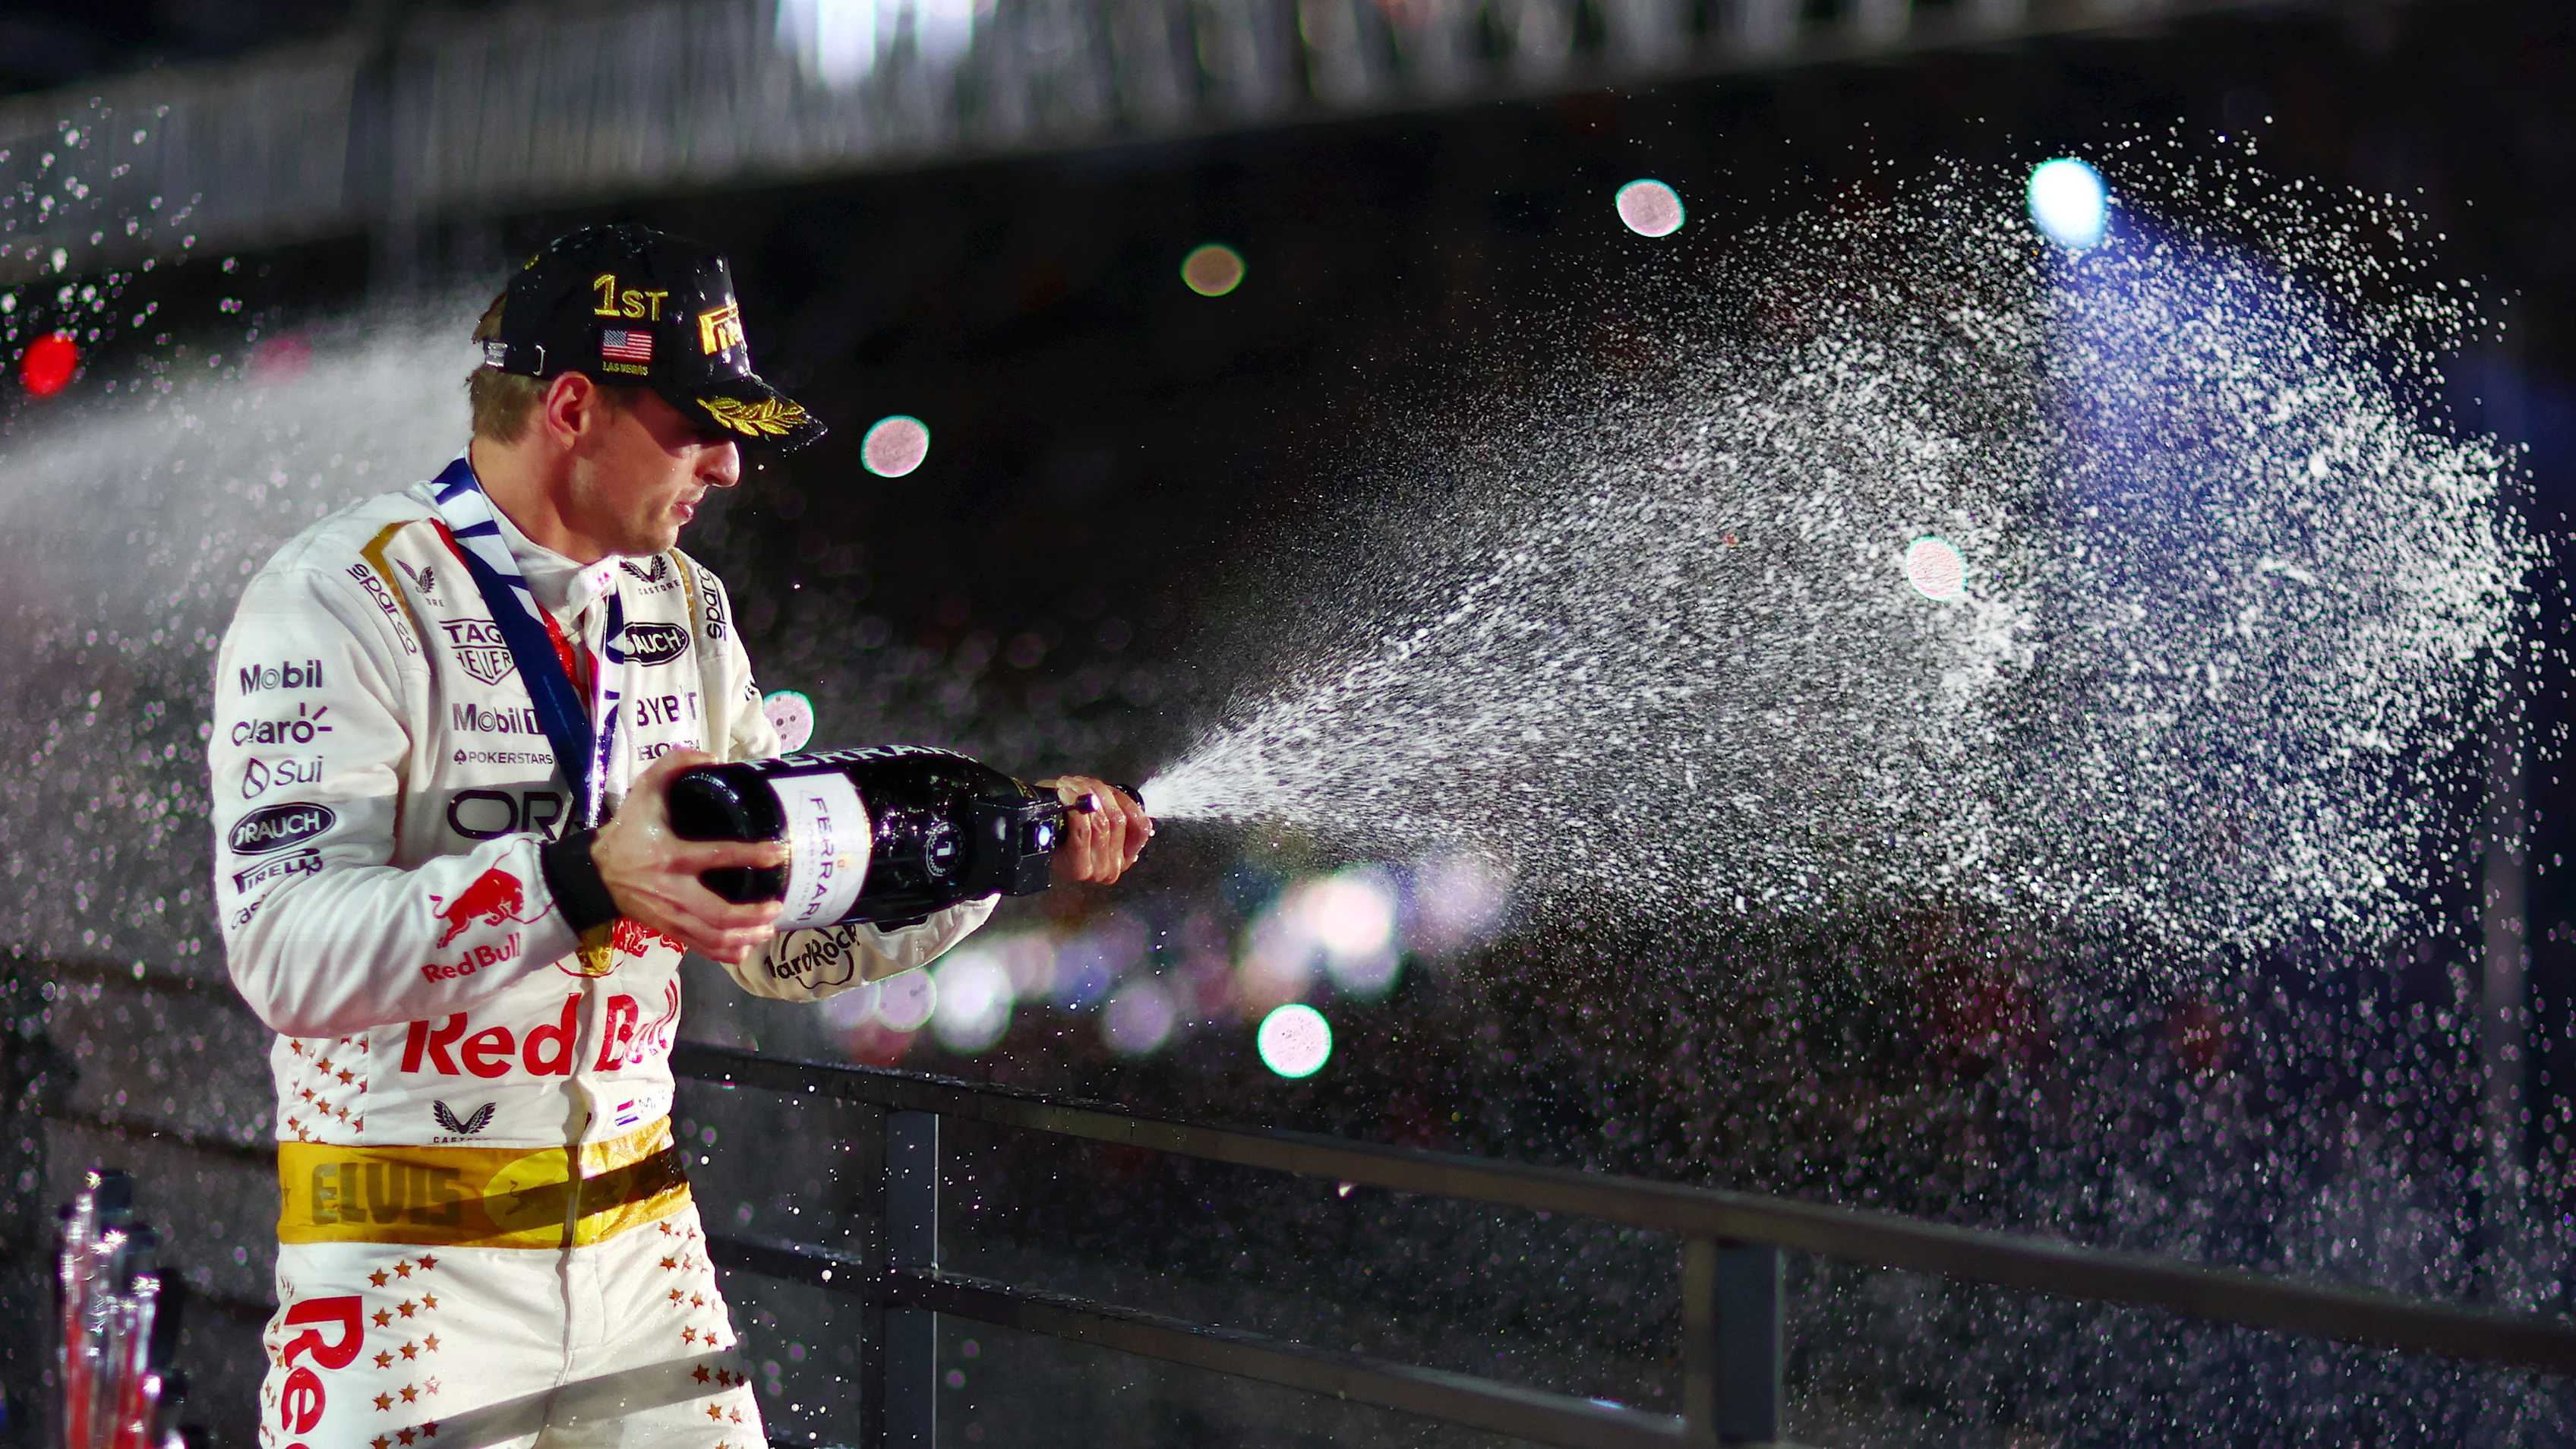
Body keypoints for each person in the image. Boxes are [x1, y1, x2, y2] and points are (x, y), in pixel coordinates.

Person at [210, 224, 1151, 1449]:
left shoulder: (686, 607)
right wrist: (587, 876)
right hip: (406, 1268)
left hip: (643, 1250)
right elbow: (284, 956)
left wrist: (990, 855)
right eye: (700, 425)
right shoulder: (336, 595)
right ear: (570, 406)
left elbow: (765, 933)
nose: (729, 466)